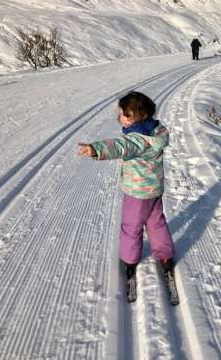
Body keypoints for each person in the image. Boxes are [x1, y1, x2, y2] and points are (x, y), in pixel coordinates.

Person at [78, 91, 175, 303]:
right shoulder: (156, 132)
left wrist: (95, 150)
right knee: (156, 223)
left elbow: (119, 146)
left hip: (137, 193)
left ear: (132, 116)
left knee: (131, 226)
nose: (118, 118)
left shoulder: (136, 140)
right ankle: (165, 255)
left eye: (121, 114)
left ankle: (130, 260)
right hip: (155, 190)